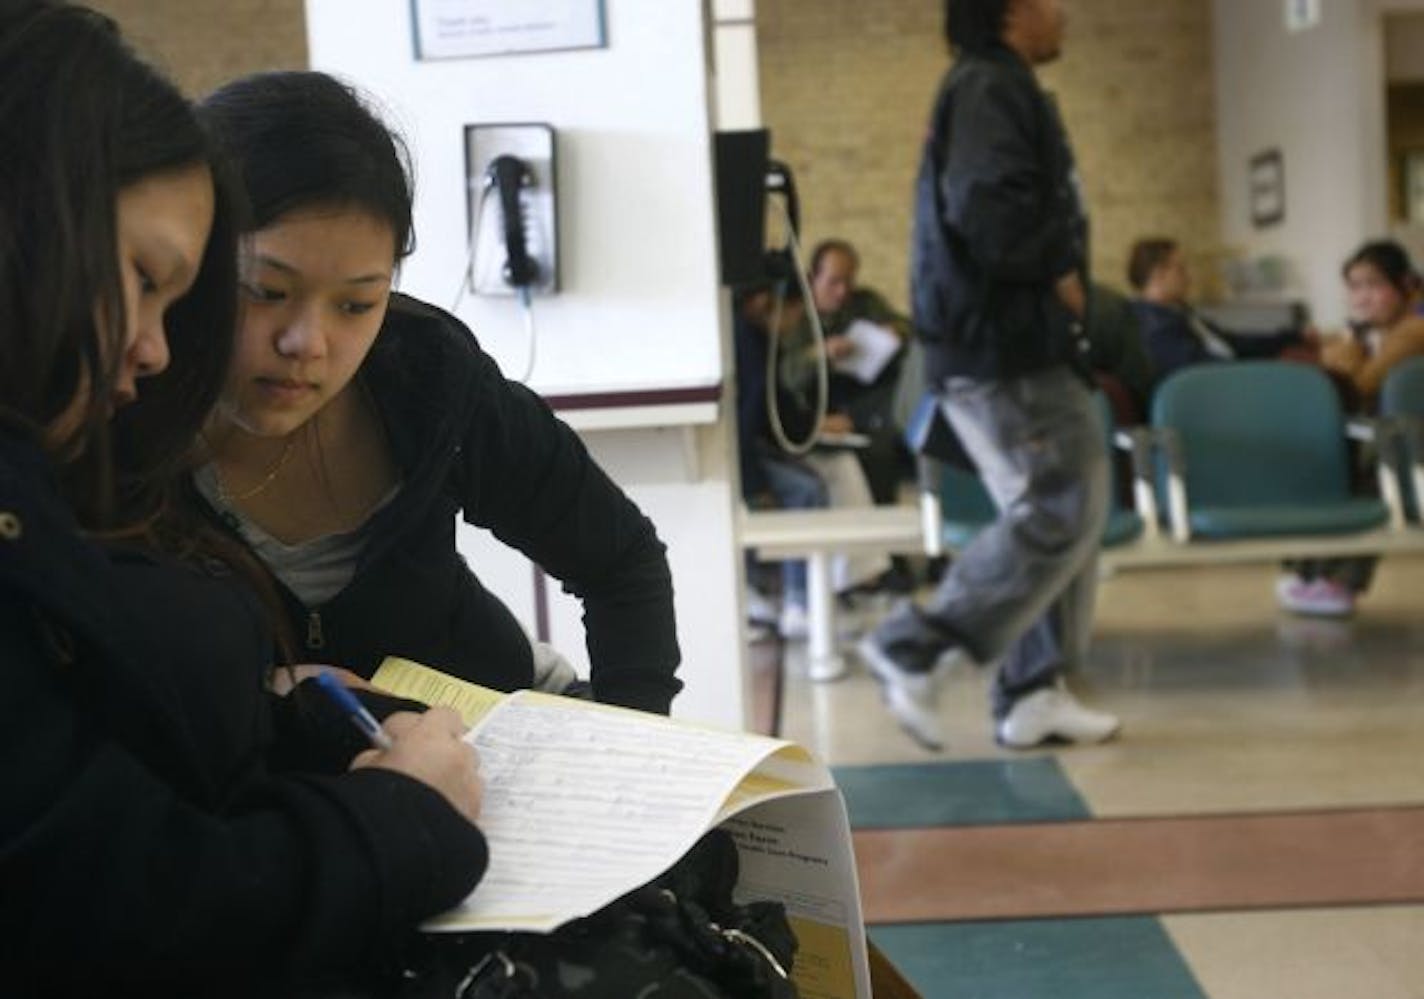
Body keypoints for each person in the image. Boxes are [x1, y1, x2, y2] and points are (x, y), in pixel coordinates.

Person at [0, 3, 486, 993]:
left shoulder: (433, 383)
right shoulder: (106, 462)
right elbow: (120, 900)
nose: (153, 349)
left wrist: (275, 711)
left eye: (359, 303)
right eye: (142, 279)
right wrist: (401, 817)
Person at [194, 72, 681, 713]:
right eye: (267, 291)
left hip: (497, 732)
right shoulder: (111, 433)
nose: (309, 342)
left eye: (357, 303)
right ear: (185, 263)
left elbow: (621, 562)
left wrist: (631, 748)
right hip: (292, 792)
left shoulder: (425, 376)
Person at [858, 0, 1121, 751]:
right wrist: (1061, 270)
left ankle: (1032, 692)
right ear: (1010, 10)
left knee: (1060, 515)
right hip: (1003, 343)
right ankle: (914, 644)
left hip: (1000, 340)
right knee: (1060, 506)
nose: (1066, 11)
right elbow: (986, 206)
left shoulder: (993, 83)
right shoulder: (989, 85)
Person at [733, 265, 888, 643]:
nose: (795, 323)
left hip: (756, 448)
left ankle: (824, 591)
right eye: (793, 313)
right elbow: (751, 419)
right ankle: (800, 603)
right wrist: (755, 483)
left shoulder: (757, 340)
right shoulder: (750, 342)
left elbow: (776, 410)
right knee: (806, 489)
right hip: (744, 457)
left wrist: (814, 426)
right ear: (766, 305)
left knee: (820, 479)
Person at [1278, 239, 1424, 617]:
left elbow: (1360, 383)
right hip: (1395, 438)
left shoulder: (1413, 330)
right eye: (1354, 287)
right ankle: (1313, 575)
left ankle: (1337, 580)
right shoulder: (1377, 334)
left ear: (1405, 284)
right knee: (1326, 459)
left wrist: (1349, 341)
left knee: (1366, 470)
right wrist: (1348, 343)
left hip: (1412, 445)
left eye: (1373, 285)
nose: (1361, 298)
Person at [1127, 237, 1309, 389]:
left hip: (1228, 384)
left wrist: (1293, 338)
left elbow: (1232, 342)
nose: (1189, 276)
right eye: (1180, 269)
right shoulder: (1156, 329)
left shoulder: (1178, 312)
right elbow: (1210, 371)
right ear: (1159, 275)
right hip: (1218, 399)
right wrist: (1277, 369)